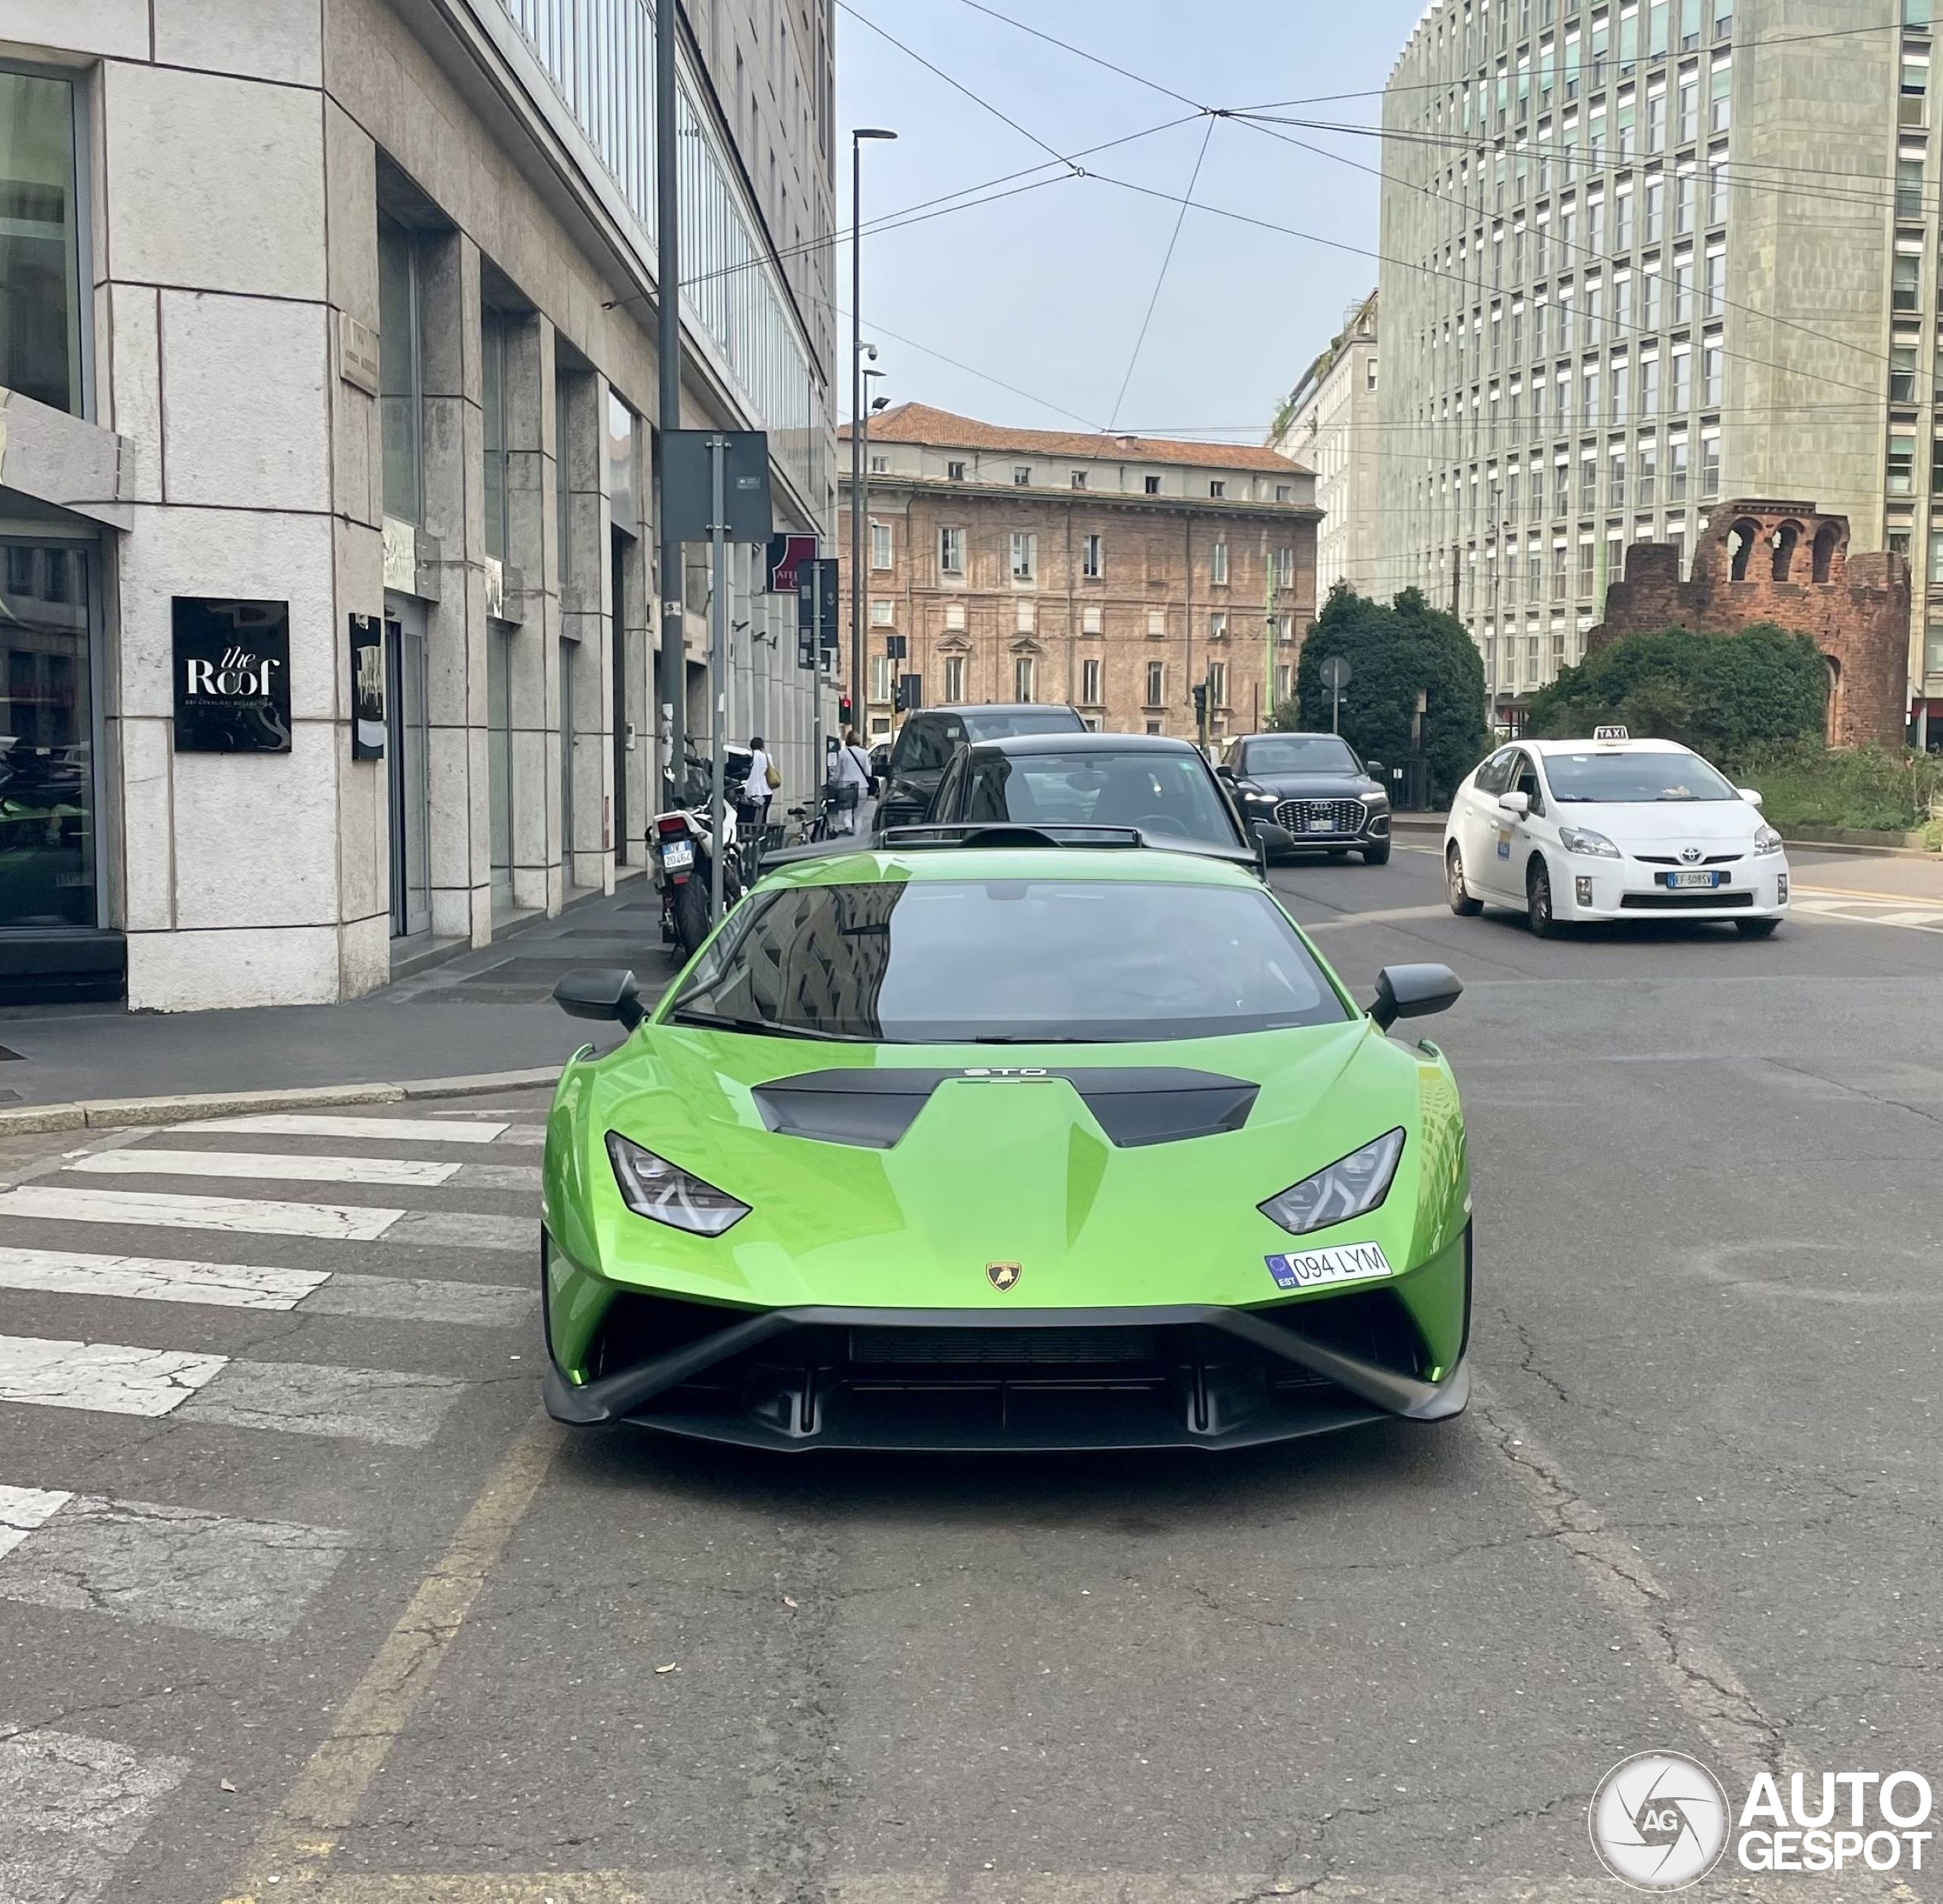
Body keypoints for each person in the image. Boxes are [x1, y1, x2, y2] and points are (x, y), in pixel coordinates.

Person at [829, 726, 874, 835]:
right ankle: (856, 838)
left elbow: (837, 773)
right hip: (862, 786)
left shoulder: (842, 754)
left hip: (846, 786)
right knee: (858, 815)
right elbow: (868, 773)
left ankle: (849, 827)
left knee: (846, 813)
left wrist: (832, 780)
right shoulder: (864, 753)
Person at [743, 734, 775, 830]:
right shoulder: (767, 757)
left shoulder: (748, 756)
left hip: (751, 791)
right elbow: (772, 770)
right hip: (766, 791)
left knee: (750, 816)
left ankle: (750, 833)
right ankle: (761, 834)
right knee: (763, 815)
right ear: (762, 746)